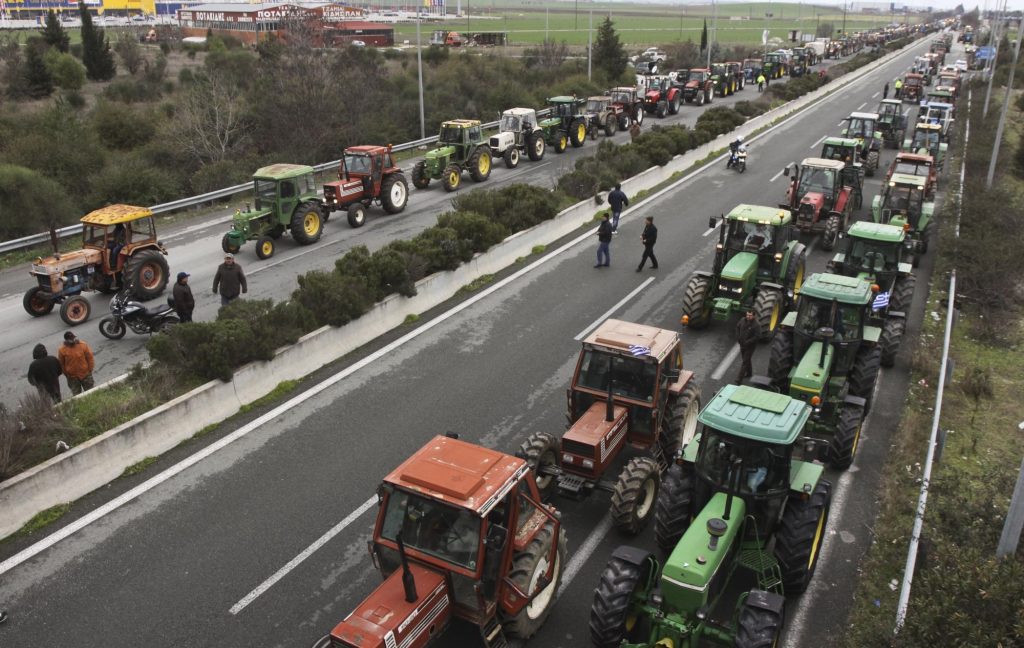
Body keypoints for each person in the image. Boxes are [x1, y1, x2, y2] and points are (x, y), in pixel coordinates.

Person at [735, 309, 761, 382]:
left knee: (745, 362)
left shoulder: (757, 325)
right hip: (742, 344)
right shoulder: (742, 320)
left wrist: (748, 342)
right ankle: (749, 373)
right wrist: (738, 337)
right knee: (746, 360)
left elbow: (757, 336)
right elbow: (737, 327)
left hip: (750, 347)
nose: (748, 317)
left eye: (750, 315)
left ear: (754, 316)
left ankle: (739, 379)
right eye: (747, 315)